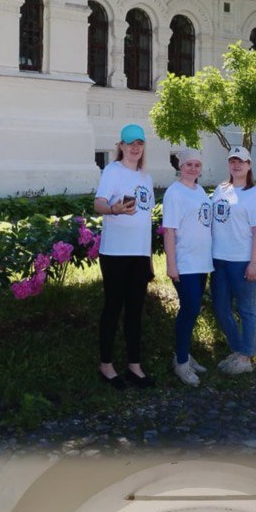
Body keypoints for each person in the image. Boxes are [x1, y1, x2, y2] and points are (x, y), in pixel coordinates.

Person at [93, 123, 157, 390]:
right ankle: (106, 366)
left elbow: (147, 220)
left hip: (139, 254)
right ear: (121, 146)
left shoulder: (146, 177)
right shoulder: (113, 171)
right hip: (116, 253)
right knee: (113, 308)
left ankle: (134, 366)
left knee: (134, 311)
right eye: (129, 143)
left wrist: (150, 258)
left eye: (139, 143)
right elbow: (98, 204)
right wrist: (114, 209)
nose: (134, 147)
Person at [210, 145, 256, 375]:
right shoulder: (220, 190)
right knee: (221, 308)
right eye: (233, 161)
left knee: (246, 308)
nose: (236, 165)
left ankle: (246, 357)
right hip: (219, 259)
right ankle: (238, 349)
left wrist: (253, 262)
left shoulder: (254, 194)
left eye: (241, 161)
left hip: (243, 260)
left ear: (249, 165)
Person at [163, 148, 214, 386]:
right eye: (188, 164)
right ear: (180, 166)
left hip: (202, 261)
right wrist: (171, 264)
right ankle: (181, 362)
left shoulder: (200, 190)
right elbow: (170, 231)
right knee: (189, 308)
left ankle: (184, 353)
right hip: (184, 262)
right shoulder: (175, 193)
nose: (193, 168)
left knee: (193, 310)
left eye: (197, 165)